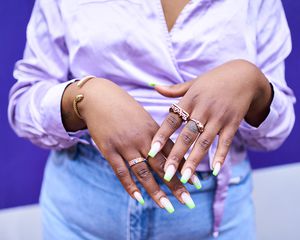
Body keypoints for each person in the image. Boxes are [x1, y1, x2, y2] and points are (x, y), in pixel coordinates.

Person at [8, 0, 295, 239]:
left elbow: (273, 134)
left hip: (212, 216)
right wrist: (81, 97)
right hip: (83, 209)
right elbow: (23, 105)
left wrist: (255, 85)